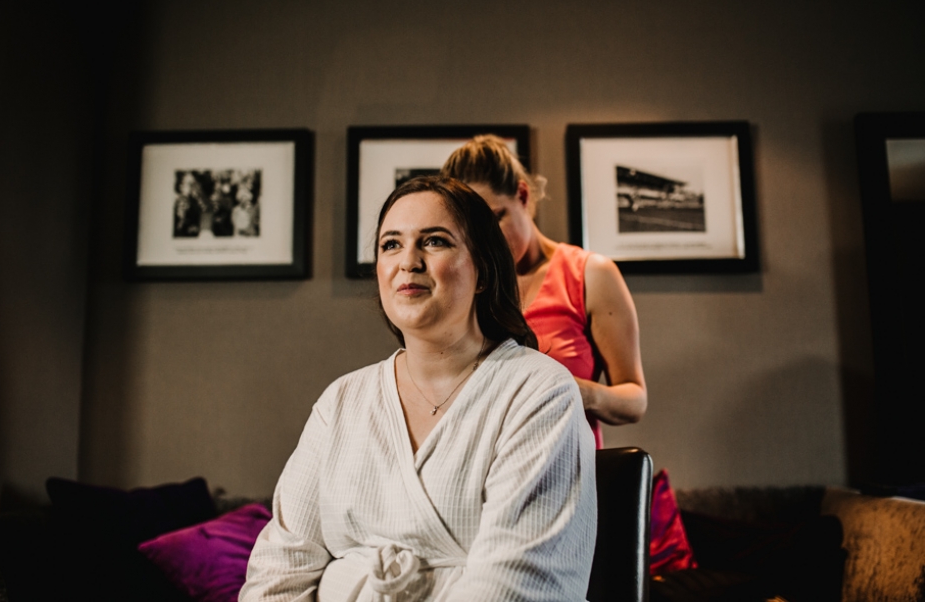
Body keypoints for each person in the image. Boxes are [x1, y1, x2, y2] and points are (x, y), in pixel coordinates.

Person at [240, 176, 596, 602]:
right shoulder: (341, 401)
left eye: (434, 241)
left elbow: (515, 587)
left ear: (482, 269)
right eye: (391, 244)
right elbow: (276, 574)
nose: (408, 261)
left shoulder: (538, 392)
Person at [440, 136, 647, 448]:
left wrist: (574, 390)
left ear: (522, 196)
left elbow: (635, 400)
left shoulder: (590, 274)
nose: (488, 241)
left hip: (566, 470)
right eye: (473, 230)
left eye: (496, 219)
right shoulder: (466, 282)